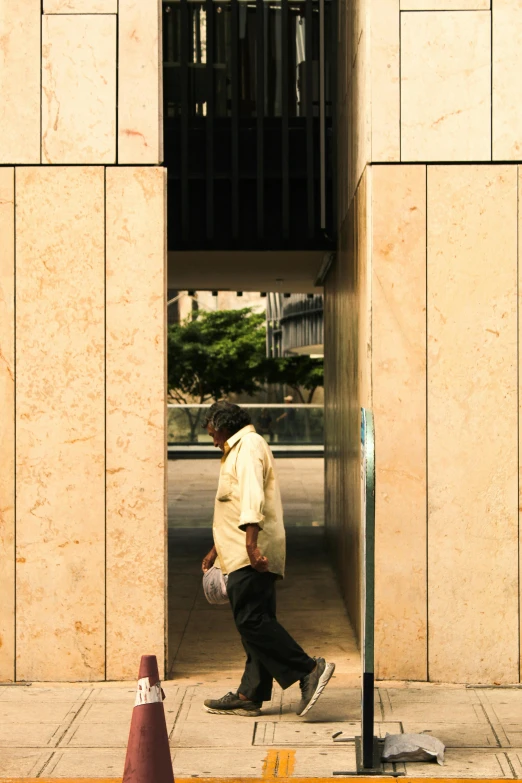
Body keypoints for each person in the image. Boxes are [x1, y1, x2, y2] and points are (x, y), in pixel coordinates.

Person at [201, 401, 335, 717]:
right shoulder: (241, 447)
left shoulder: (248, 446)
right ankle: (250, 694)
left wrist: (251, 547)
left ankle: (308, 669)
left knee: (252, 621)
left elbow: (251, 498)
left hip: (250, 553)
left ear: (223, 425)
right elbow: (232, 507)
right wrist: (215, 549)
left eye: (213, 434)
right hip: (239, 550)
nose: (213, 441)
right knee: (257, 622)